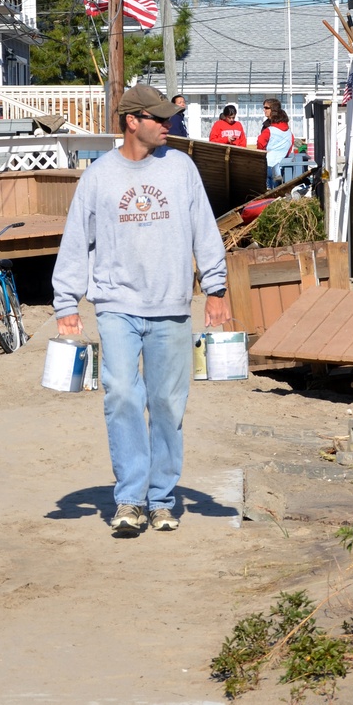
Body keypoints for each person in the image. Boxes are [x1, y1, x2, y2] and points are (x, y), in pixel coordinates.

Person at [52, 84, 232, 537]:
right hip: (116, 304)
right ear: (132, 121)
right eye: (157, 118)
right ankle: (130, 499)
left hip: (171, 306)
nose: (166, 124)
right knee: (122, 395)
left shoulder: (182, 169)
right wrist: (66, 302)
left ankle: (162, 499)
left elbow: (204, 231)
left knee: (168, 404)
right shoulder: (99, 176)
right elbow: (77, 240)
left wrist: (216, 288)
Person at [257, 98, 294, 188]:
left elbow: (260, 144)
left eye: (266, 108)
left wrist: (264, 152)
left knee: (267, 192)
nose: (264, 110)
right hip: (281, 166)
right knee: (277, 191)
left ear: (273, 110)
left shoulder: (269, 130)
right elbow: (290, 147)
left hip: (268, 165)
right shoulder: (289, 132)